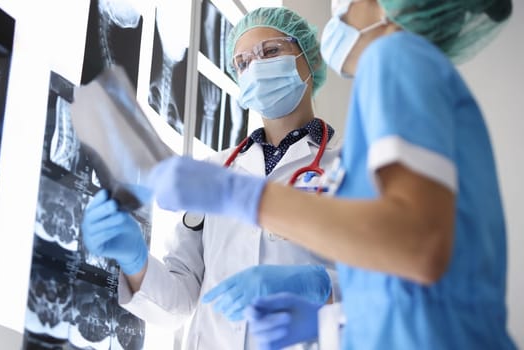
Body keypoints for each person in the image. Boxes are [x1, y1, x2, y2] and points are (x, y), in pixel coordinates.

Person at [149, 0, 516, 349]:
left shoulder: (394, 57)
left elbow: (417, 247)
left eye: (271, 52)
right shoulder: (417, 72)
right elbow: (410, 279)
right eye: (242, 62)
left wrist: (239, 195)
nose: (337, 11)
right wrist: (325, 322)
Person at [81, 7, 342, 349]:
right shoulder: (216, 171)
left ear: (309, 61)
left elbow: (387, 283)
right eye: (243, 63)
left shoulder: (348, 168)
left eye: (271, 51)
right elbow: (180, 302)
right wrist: (136, 262)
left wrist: (320, 283)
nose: (256, 67)